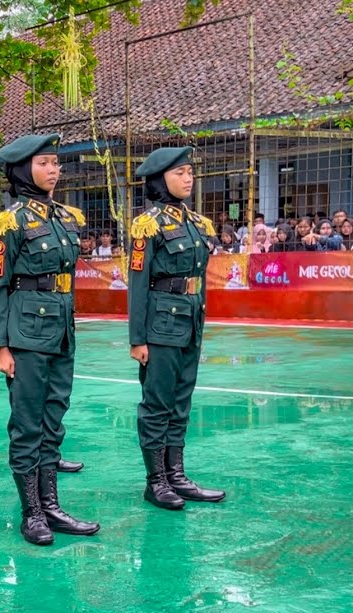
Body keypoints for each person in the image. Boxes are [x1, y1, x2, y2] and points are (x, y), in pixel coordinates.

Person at [0, 133, 99, 546]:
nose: (53, 170)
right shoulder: (10, 222)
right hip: (26, 333)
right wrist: (1, 345)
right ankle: (31, 512)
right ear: (22, 170)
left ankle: (52, 504)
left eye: (56, 163)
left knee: (53, 419)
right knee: (27, 423)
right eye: (44, 163)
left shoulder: (66, 218)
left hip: (61, 332)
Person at [127, 146, 227, 511]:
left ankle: (177, 475)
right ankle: (156, 482)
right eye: (179, 172)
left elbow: (198, 278)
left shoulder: (199, 224)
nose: (188, 178)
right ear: (159, 179)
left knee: (181, 401)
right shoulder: (147, 225)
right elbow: (138, 285)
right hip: (160, 324)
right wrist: (137, 338)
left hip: (190, 321)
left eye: (190, 172)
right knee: (158, 403)